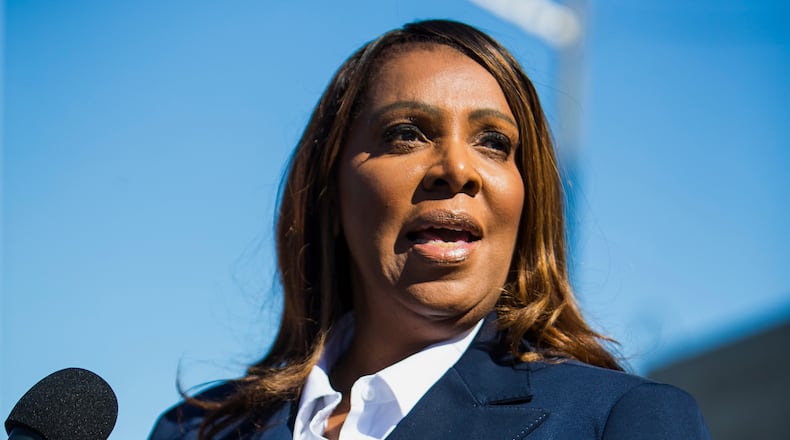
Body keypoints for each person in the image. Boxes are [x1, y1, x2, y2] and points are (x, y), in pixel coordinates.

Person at [149, 19, 710, 440]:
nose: (458, 170)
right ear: (330, 188)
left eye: (494, 142)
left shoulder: (623, 421)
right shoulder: (193, 429)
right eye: (407, 134)